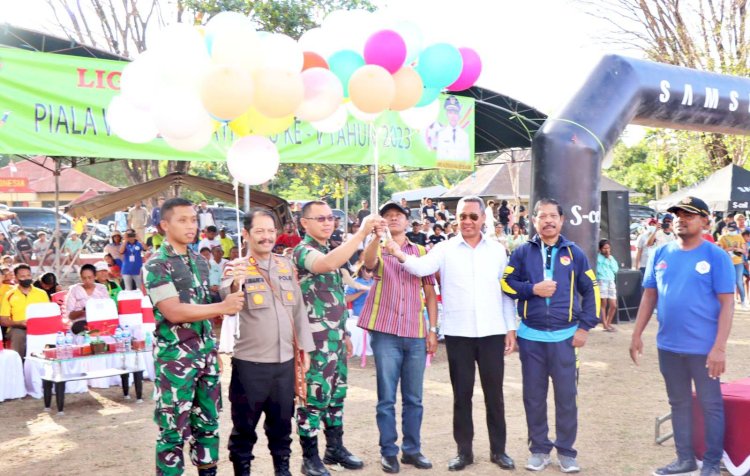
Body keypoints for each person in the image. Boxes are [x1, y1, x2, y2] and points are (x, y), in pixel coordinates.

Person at [387, 196, 517, 472]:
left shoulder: (497, 251)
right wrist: (398, 254)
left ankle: (499, 450)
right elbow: (422, 268)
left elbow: (505, 292)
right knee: (462, 395)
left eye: (473, 216)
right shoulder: (444, 249)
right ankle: (464, 452)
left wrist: (510, 327)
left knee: (495, 394)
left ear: (483, 218)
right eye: (462, 217)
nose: (467, 222)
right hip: (458, 334)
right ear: (456, 219)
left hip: (493, 332)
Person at [630, 197, 734, 476]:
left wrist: (719, 348)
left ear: (704, 221)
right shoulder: (660, 254)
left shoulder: (716, 256)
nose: (681, 218)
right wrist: (637, 334)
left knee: (710, 404)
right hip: (669, 346)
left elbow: (727, 303)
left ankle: (711, 463)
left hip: (704, 349)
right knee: (678, 402)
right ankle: (684, 458)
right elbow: (649, 295)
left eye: (689, 214)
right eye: (677, 214)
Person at [144, 197, 245, 476]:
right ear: (164, 225)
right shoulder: (157, 265)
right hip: (176, 360)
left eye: (194, 220)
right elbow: (174, 311)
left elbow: (208, 302)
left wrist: (233, 284)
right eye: (183, 220)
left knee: (208, 425)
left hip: (205, 357)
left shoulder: (200, 261)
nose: (191, 226)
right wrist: (222, 306)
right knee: (173, 431)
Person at [501, 198, 599, 473]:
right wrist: (533, 289)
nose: (548, 220)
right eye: (542, 216)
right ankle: (540, 449)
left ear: (562, 220)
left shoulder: (575, 253)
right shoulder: (522, 253)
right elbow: (506, 284)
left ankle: (567, 451)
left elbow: (591, 288)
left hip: (566, 339)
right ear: (533, 221)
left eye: (553, 216)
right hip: (531, 338)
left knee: (567, 397)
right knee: (533, 396)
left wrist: (584, 327)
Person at [222, 208, 315, 476]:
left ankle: (282, 470)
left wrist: (304, 348)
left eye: (271, 231)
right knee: (244, 429)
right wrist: (235, 284)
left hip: (284, 363)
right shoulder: (235, 266)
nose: (266, 237)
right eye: (259, 231)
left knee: (282, 427)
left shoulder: (286, 265)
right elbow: (227, 302)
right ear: (246, 234)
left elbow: (298, 309)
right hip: (251, 365)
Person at [293, 200, 379, 476]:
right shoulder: (302, 250)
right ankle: (310, 458)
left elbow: (336, 296)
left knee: (336, 395)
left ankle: (334, 448)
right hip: (313, 342)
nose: (328, 222)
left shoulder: (332, 249)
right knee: (313, 397)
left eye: (331, 218)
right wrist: (361, 233)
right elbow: (325, 265)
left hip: (334, 339)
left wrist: (343, 334)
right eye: (320, 218)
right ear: (304, 223)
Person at [359, 201, 438, 473]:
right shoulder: (378, 247)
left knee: (414, 397)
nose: (393, 219)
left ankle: (412, 451)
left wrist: (433, 330)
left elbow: (429, 293)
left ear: (407, 222)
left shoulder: (421, 251)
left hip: (416, 332)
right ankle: (389, 452)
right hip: (386, 332)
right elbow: (368, 265)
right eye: (388, 216)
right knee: (386, 398)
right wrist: (376, 238)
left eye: (398, 216)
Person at [0, 264, 49, 358]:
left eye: (28, 275)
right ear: (16, 278)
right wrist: (19, 323)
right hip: (17, 328)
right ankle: (19, 365)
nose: (26, 278)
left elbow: (48, 313)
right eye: (22, 276)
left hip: (39, 326)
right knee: (18, 334)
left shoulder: (41, 293)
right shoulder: (9, 294)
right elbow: (3, 320)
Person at [65, 264, 110, 334]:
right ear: (81, 278)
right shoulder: (75, 290)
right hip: (80, 323)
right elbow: (70, 316)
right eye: (84, 278)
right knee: (82, 329)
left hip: (99, 320)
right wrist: (83, 311)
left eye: (90, 277)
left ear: (95, 277)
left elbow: (108, 308)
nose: (87, 280)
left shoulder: (102, 289)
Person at [718, 221, 748, 309]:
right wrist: (729, 249)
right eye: (731, 229)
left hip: (738, 262)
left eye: (734, 229)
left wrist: (738, 249)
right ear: (727, 229)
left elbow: (744, 251)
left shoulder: (739, 237)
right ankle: (729, 302)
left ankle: (743, 301)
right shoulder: (722, 237)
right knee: (728, 282)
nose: (732, 231)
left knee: (739, 282)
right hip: (727, 262)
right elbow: (719, 251)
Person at [436, 96, 470, 162]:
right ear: (446, 114)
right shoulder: (441, 135)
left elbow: (467, 159)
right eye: (450, 113)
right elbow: (439, 158)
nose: (453, 116)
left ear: (458, 115)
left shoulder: (465, 135)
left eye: (455, 113)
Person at [597, 239, 619, 332]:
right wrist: (605, 259)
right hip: (602, 281)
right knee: (603, 303)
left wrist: (609, 259)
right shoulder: (598, 258)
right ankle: (605, 324)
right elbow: (598, 270)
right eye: (605, 248)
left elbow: (615, 270)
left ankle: (609, 323)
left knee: (613, 305)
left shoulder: (611, 258)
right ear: (600, 249)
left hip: (611, 281)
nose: (607, 250)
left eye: (608, 248)